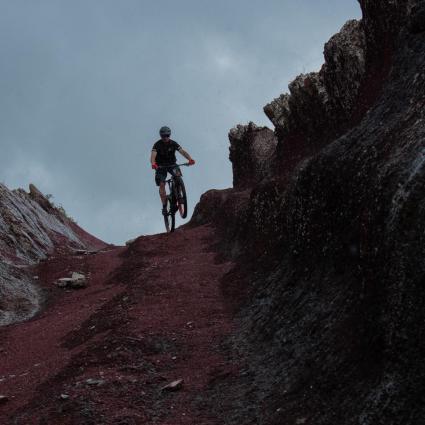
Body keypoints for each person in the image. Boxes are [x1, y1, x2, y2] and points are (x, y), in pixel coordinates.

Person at [151, 126, 195, 215]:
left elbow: (182, 151)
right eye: (163, 136)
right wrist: (153, 164)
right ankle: (164, 206)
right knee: (162, 184)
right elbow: (153, 156)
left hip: (172, 165)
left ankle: (179, 195)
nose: (165, 137)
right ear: (161, 136)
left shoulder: (173, 143)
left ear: (169, 135)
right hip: (160, 166)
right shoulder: (157, 145)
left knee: (178, 176)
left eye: (167, 135)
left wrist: (190, 159)